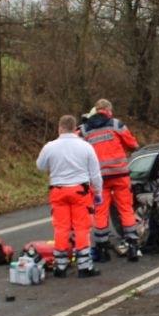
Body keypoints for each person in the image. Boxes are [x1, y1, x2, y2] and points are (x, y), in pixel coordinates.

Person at [36, 115, 103, 278]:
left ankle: (60, 266)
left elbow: (40, 166)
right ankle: (84, 267)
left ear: (60, 128)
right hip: (80, 191)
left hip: (58, 191)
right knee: (81, 228)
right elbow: (95, 173)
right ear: (75, 129)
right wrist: (99, 192)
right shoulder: (86, 147)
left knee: (61, 228)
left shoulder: (50, 147)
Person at [81, 99, 141, 262]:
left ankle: (102, 250)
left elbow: (76, 147)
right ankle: (133, 246)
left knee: (100, 212)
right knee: (126, 209)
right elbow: (133, 144)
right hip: (120, 175)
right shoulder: (116, 124)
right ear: (107, 110)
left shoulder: (86, 129)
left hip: (99, 178)